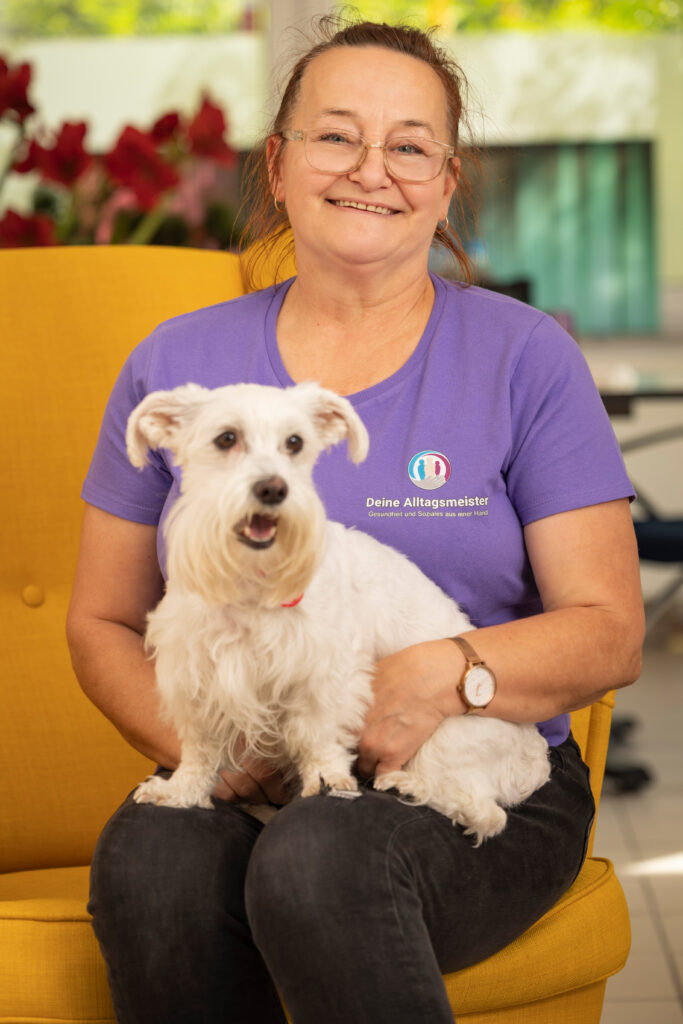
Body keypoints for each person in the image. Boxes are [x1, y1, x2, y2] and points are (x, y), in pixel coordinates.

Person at [66, 16, 644, 1024]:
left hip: (477, 762)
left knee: (320, 855)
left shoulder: (524, 357)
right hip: (254, 754)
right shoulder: (175, 363)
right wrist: (210, 750)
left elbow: (610, 630)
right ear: (277, 165)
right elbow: (100, 618)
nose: (371, 169)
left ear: (446, 181)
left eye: (408, 146)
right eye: (335, 135)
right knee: (151, 864)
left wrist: (439, 673)